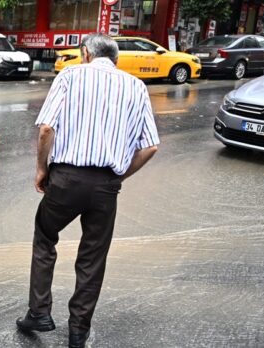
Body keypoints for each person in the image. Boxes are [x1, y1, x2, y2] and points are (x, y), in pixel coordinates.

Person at [16, 33, 159, 348]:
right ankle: (78, 331)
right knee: (93, 257)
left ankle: (39, 312)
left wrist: (42, 170)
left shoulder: (70, 75)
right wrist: (119, 176)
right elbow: (150, 146)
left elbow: (46, 129)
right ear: (116, 58)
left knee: (45, 237)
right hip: (106, 186)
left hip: (65, 178)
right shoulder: (136, 87)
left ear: (85, 54)